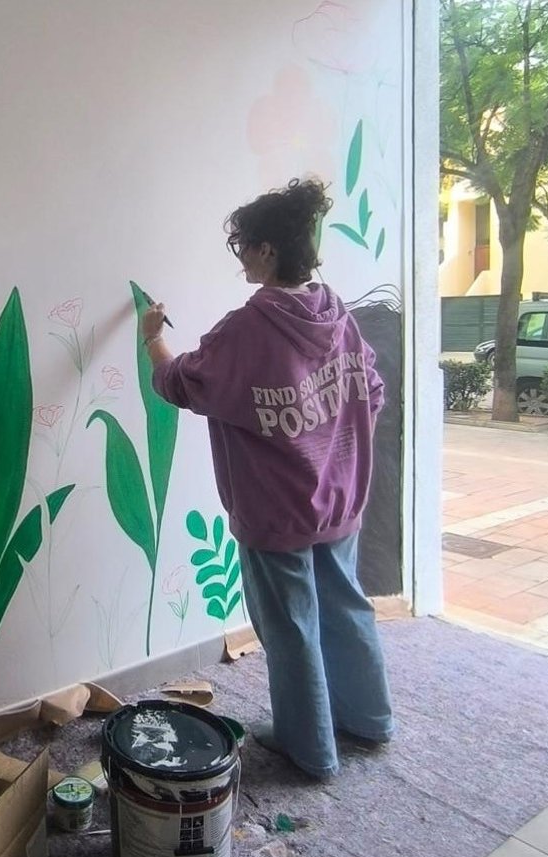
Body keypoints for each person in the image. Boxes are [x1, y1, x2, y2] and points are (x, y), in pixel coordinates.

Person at [142, 177, 394, 781]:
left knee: (291, 629)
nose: (241, 260)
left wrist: (152, 338)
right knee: (346, 608)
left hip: (277, 512)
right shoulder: (337, 314)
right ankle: (369, 719)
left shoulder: (249, 329)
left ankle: (310, 750)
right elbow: (373, 392)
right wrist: (329, 443)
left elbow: (181, 382)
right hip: (340, 500)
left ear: (267, 250)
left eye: (243, 248)